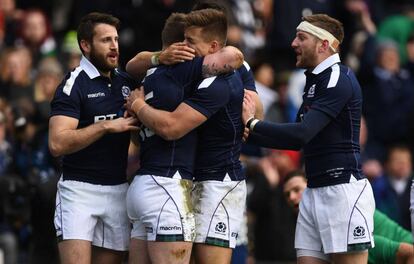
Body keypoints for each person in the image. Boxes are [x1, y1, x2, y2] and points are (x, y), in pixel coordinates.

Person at [242, 14, 375, 264]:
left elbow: (301, 135)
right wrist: (251, 132)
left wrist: (252, 123)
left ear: (324, 45)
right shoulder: (315, 81)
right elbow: (296, 137)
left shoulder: (338, 78)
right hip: (313, 190)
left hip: (342, 192)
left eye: (301, 37)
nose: (293, 43)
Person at [126, 8, 249, 264]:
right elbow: (234, 55)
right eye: (183, 41)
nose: (186, 47)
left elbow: (235, 57)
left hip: (200, 184)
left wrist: (251, 119)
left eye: (190, 42)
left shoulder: (151, 74)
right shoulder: (185, 72)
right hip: (173, 185)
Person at [48, 12, 139, 264]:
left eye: (116, 40)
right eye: (105, 40)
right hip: (78, 191)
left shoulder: (126, 82)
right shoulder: (73, 84)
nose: (114, 47)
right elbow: (57, 143)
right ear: (85, 45)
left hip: (118, 189)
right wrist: (105, 127)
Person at [283, 171, 414, 264]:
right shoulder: (317, 223)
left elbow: (410, 253)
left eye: (297, 190)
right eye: (287, 195)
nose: (292, 197)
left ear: (311, 188)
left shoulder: (343, 217)